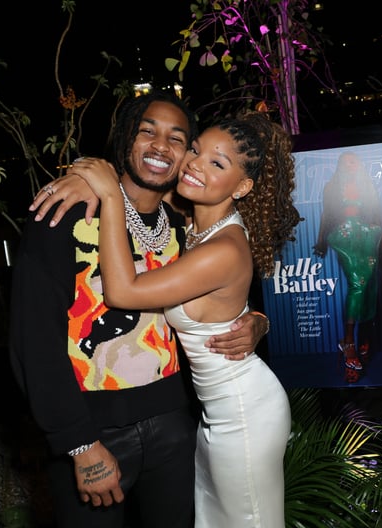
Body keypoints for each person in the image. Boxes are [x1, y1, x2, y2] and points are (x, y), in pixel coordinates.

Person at [9, 91, 270, 528]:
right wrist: (78, 443)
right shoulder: (68, 215)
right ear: (126, 137)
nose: (159, 145)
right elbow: (31, 341)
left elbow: (234, 286)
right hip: (93, 434)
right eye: (147, 130)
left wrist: (257, 322)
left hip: (176, 427)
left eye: (176, 137)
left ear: (187, 155)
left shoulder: (183, 225)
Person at [64, 110, 299, 528]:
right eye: (196, 150)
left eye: (217, 163)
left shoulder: (222, 249)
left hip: (243, 413)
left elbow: (124, 292)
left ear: (243, 187)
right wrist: (90, 180)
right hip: (214, 412)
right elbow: (143, 184)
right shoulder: (191, 222)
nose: (194, 164)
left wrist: (111, 196)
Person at [313, 151, 382, 383]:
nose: (351, 164)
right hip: (343, 235)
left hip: (368, 235)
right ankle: (348, 343)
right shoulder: (331, 188)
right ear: (340, 165)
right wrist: (321, 242)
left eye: (354, 160)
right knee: (357, 284)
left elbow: (378, 216)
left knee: (370, 288)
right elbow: (326, 214)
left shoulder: (368, 187)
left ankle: (364, 340)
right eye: (346, 161)